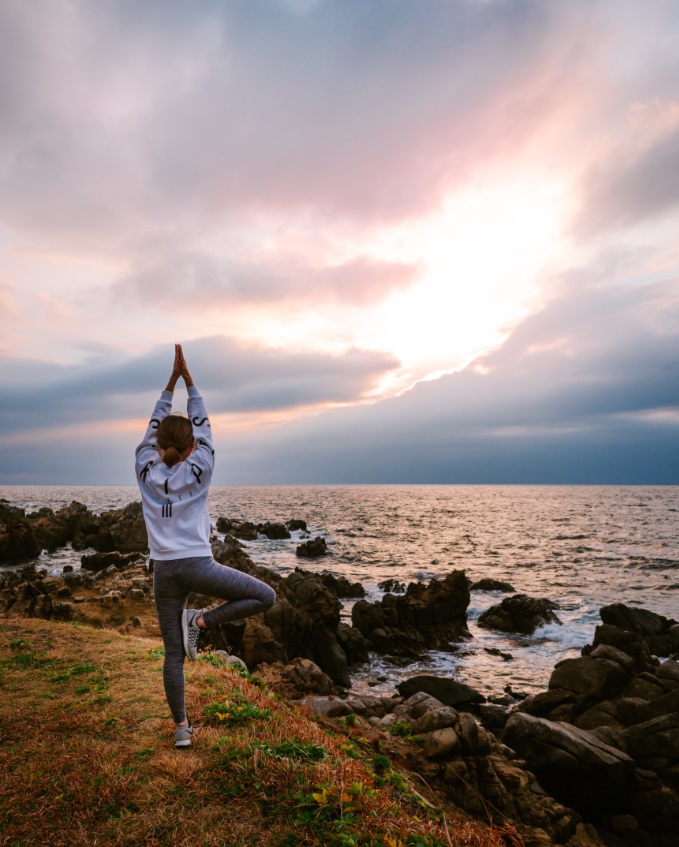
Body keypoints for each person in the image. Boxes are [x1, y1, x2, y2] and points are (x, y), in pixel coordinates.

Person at [135, 344, 275, 749]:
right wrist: (188, 380)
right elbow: (205, 425)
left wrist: (169, 385)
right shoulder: (202, 466)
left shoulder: (144, 466)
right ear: (192, 445)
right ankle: (201, 622)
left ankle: (182, 729)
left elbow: (152, 429)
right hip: (197, 565)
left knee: (172, 654)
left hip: (163, 572)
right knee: (265, 595)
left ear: (158, 444)